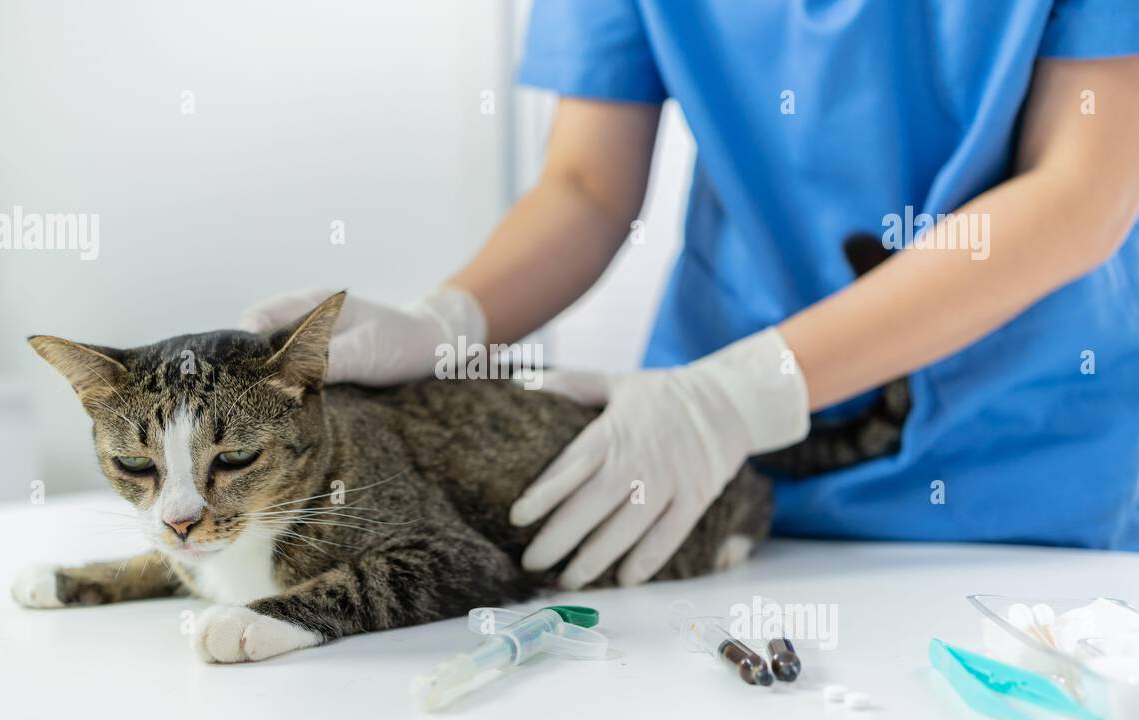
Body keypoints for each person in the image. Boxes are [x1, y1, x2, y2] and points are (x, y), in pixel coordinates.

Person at [241, 1, 1139, 589]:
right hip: (699, 484)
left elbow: (1080, 195)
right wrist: (449, 322)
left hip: (1022, 482)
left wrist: (741, 394)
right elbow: (587, 189)